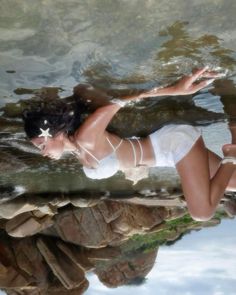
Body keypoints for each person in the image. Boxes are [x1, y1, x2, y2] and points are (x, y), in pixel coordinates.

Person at [23, 68, 236, 221]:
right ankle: (230, 103)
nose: (43, 153)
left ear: (54, 134)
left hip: (172, 143)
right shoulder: (77, 148)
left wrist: (174, 90)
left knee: (202, 212)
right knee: (233, 182)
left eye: (41, 145)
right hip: (164, 155)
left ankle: (233, 148)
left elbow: (118, 102)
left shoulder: (85, 138)